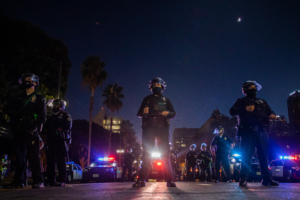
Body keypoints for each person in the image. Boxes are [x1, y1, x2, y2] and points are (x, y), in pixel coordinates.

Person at [230, 80, 279, 186]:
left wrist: (272, 115)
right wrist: (244, 109)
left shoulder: (262, 102)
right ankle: (243, 179)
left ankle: (266, 179)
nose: (253, 90)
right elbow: (232, 111)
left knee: (263, 155)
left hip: (262, 131)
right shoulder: (241, 101)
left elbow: (271, 111)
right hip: (247, 131)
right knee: (246, 155)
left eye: (254, 88)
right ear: (245, 90)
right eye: (251, 88)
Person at [4, 73, 46, 189]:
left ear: (35, 83)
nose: (26, 82)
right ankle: (19, 181)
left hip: (31, 129)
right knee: (19, 156)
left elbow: (42, 116)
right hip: (19, 129)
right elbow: (9, 110)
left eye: (29, 79)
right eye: (24, 80)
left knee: (34, 156)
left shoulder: (39, 97)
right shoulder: (18, 97)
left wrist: (35, 127)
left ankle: (38, 181)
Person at [133, 77, 176, 187]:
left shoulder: (166, 100)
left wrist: (167, 113)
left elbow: (173, 114)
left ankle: (170, 180)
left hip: (162, 128)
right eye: (155, 85)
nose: (157, 87)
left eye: (158, 85)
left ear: (162, 87)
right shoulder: (147, 99)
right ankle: (141, 179)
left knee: (165, 154)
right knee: (147, 154)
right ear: (152, 87)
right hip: (149, 128)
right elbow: (138, 113)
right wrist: (144, 112)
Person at [43, 99, 72, 187]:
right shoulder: (51, 117)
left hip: (60, 139)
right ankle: (51, 180)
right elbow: (45, 128)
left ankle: (62, 180)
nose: (53, 107)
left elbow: (68, 126)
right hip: (51, 140)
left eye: (55, 105)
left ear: (59, 106)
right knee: (50, 161)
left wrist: (60, 128)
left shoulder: (65, 115)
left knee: (61, 161)